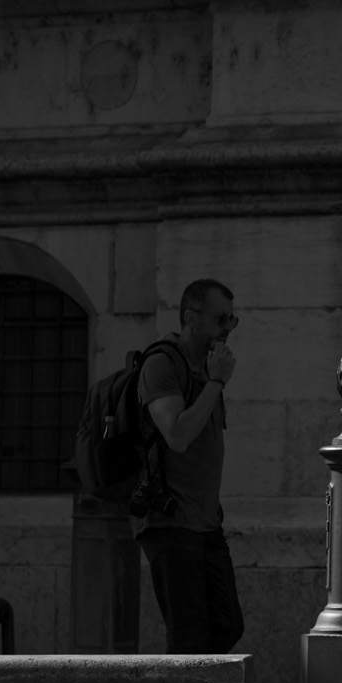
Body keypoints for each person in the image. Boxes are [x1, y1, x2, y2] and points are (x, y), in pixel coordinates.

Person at [136, 278, 242, 654]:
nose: (227, 329)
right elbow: (177, 436)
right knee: (189, 637)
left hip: (206, 522)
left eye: (232, 320)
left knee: (227, 625)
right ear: (191, 318)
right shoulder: (162, 364)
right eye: (220, 319)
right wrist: (216, 381)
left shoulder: (207, 369)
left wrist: (212, 379)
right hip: (171, 520)